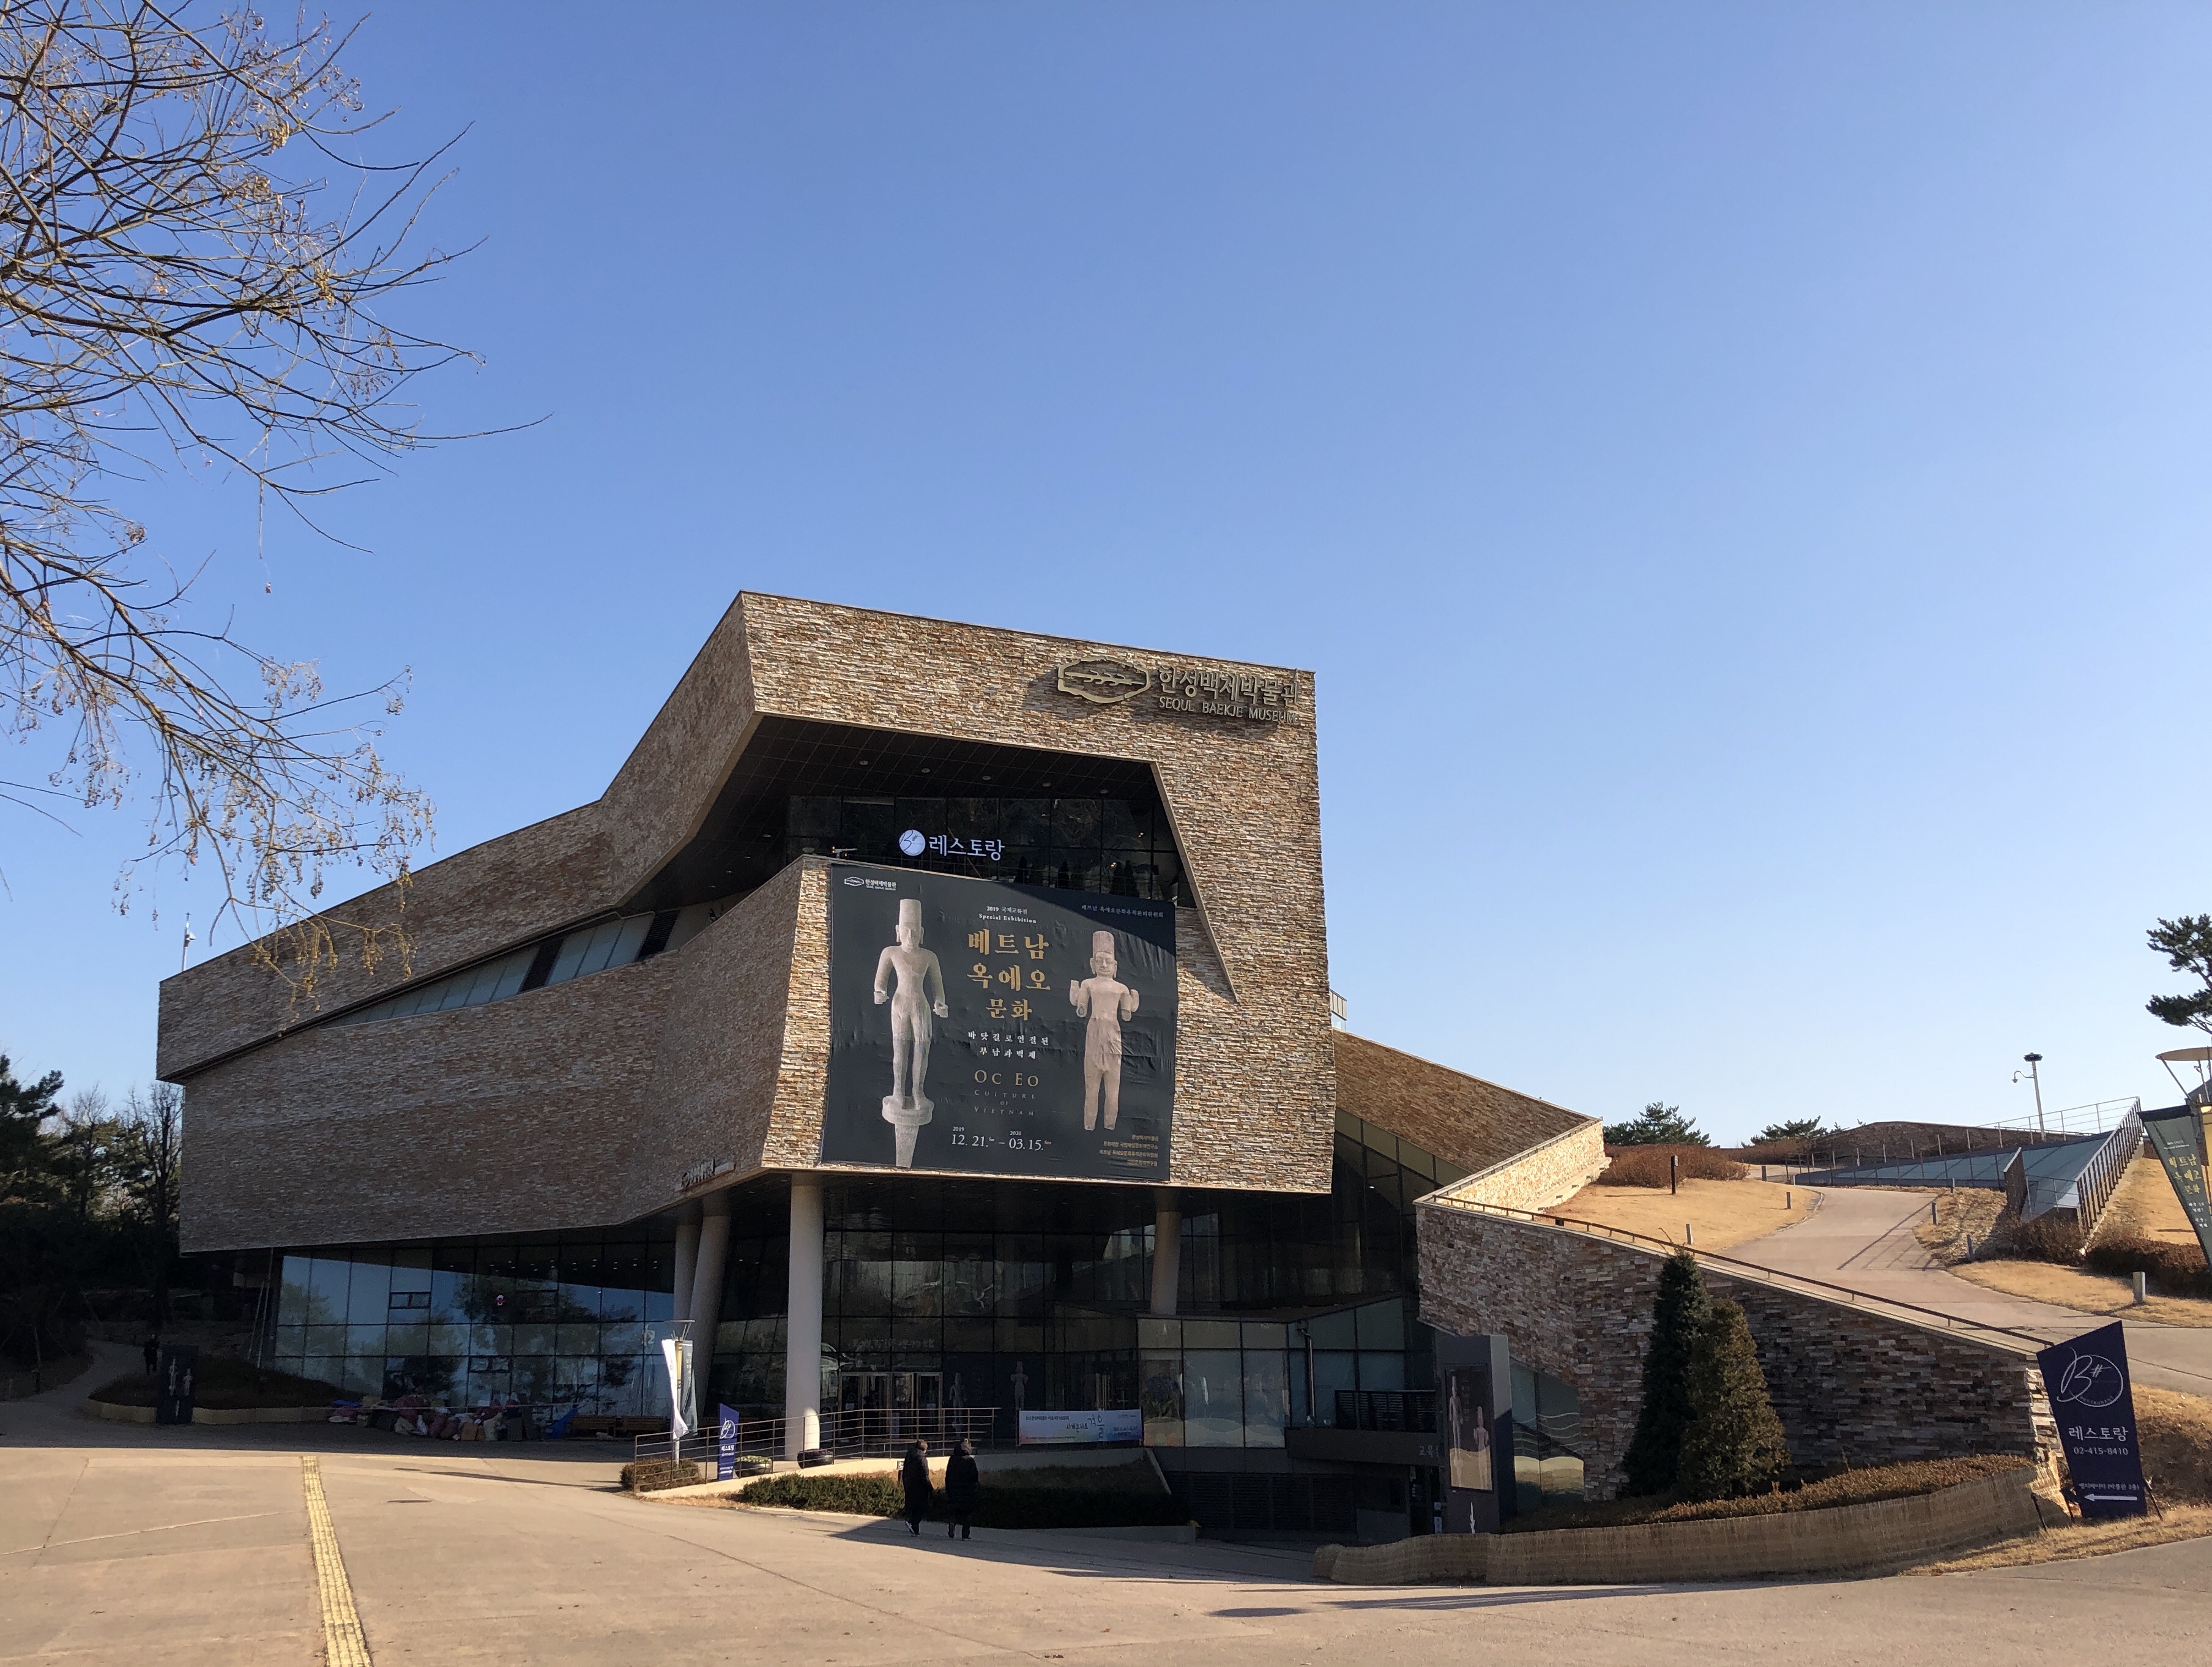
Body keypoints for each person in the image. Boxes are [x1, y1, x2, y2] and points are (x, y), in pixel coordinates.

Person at [944, 1438, 979, 1540]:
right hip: (967, 1491)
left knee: (954, 1510)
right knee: (968, 1512)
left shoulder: (953, 1459)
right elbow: (975, 1476)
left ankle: (952, 1523)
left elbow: (948, 1475)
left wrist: (948, 1487)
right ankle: (965, 1534)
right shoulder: (970, 1461)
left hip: (954, 1489)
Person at [900, 1438, 933, 1537]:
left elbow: (905, 1472)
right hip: (920, 1487)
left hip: (909, 1485)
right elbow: (925, 1475)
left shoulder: (909, 1457)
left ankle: (915, 1528)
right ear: (925, 1449)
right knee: (922, 1507)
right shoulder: (922, 1459)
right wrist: (930, 1487)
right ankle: (913, 1523)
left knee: (913, 1506)